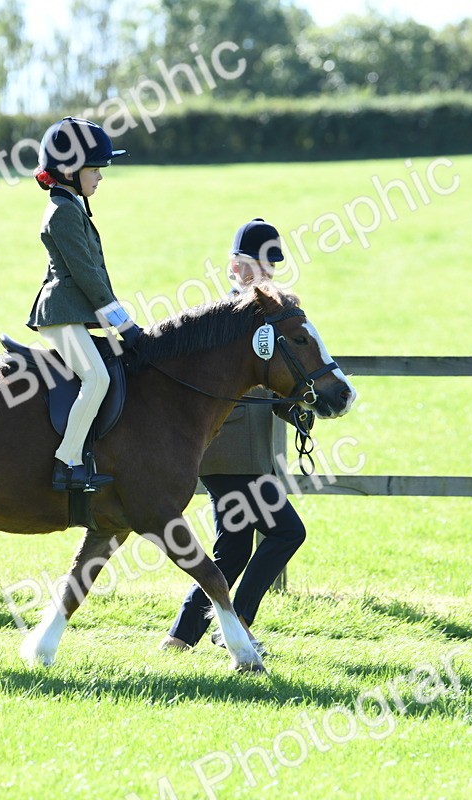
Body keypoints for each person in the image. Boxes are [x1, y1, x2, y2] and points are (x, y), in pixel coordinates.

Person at [160, 218, 311, 652]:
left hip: (250, 452)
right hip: (224, 449)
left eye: (270, 266)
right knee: (286, 532)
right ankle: (237, 625)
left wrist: (299, 407)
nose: (264, 274)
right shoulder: (223, 320)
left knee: (233, 547)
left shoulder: (272, 318)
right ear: (234, 268)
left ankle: (181, 637)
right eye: (254, 265)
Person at [27, 117, 142, 492]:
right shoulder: (63, 213)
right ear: (70, 170)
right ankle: (67, 461)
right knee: (97, 378)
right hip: (61, 315)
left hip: (71, 313)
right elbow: (89, 277)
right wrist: (123, 323)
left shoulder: (72, 206)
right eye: (95, 169)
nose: (100, 177)